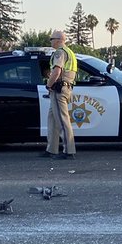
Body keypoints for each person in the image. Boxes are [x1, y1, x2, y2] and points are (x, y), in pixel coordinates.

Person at [42, 30, 78, 159]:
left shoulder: (59, 52)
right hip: (65, 88)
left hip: (58, 89)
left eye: (51, 39)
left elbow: (57, 72)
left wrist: (49, 85)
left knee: (62, 121)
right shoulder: (70, 52)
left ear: (58, 40)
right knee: (53, 119)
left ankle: (69, 151)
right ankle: (51, 149)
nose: (50, 41)